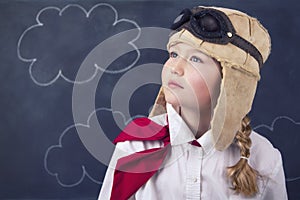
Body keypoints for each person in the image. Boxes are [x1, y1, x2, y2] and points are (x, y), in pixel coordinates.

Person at [98, 6, 288, 200]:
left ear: (231, 81)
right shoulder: (135, 146)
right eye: (174, 55)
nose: (175, 68)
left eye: (195, 59)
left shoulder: (264, 159)